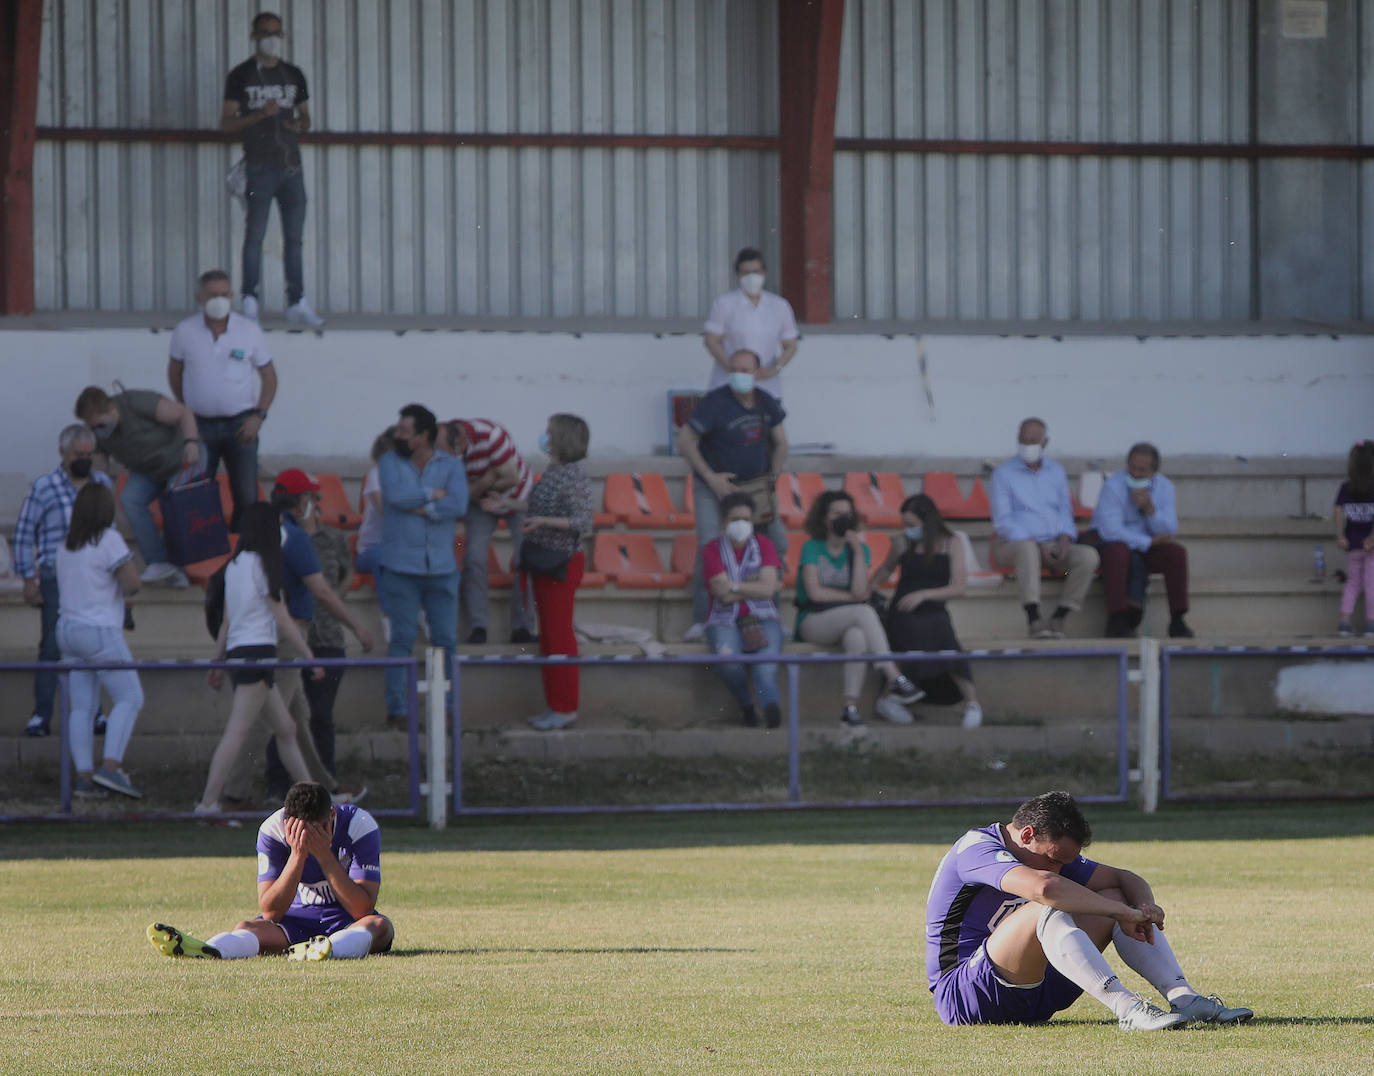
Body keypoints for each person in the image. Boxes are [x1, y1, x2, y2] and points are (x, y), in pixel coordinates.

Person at [925, 789, 1253, 1030]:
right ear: (1027, 834)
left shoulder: (1050, 855)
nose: (1057, 868)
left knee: (1114, 894)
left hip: (1038, 994)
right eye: (1052, 859)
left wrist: (1143, 906)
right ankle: (1128, 1008)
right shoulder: (976, 848)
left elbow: (1126, 878)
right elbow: (1044, 888)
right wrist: (1118, 913)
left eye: (1063, 862)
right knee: (1048, 905)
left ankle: (1184, 997)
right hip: (966, 995)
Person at [222, 468, 374, 807]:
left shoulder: (260, 532)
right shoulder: (295, 537)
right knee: (264, 721)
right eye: (312, 497)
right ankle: (232, 792)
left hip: (257, 633)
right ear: (302, 500)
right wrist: (357, 626)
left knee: (295, 721)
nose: (316, 503)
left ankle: (325, 787)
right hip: (286, 634)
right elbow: (321, 590)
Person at [148, 780, 393, 961]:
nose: (307, 837)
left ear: (332, 815)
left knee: (379, 926)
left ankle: (326, 950)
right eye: (299, 831)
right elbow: (271, 911)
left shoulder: (359, 826)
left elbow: (362, 908)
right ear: (288, 822)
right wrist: (297, 855)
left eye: (317, 830)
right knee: (247, 928)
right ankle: (208, 950)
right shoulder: (273, 830)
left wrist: (323, 855)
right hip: (295, 922)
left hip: (347, 923)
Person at [197, 503, 321, 814]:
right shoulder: (262, 565)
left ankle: (318, 804)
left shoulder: (236, 566)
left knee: (286, 730)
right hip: (257, 655)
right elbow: (282, 617)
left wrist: (218, 659)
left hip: (244, 655)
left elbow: (228, 620)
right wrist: (309, 657)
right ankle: (208, 804)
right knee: (238, 731)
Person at [677, 349, 790, 641]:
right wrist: (710, 477)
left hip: (756, 490)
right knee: (709, 544)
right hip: (716, 486)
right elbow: (685, 440)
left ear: (758, 372)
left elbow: (781, 443)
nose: (740, 374)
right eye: (735, 369)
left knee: (775, 543)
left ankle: (772, 614)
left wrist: (773, 477)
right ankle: (702, 620)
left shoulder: (766, 402)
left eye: (746, 369)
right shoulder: (714, 402)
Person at [221, 10, 323, 327]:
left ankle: (297, 301)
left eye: (276, 33)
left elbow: (307, 117)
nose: (272, 39)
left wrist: (299, 124)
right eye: (265, 33)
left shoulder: (294, 74)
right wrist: (260, 115)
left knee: (294, 238)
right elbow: (226, 123)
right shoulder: (240, 76)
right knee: (255, 235)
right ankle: (250, 299)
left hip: (292, 167)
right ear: (253, 37)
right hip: (259, 166)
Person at [12, 424, 113, 738]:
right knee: (52, 647)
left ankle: (95, 715)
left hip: (94, 580)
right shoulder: (45, 487)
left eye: (88, 454)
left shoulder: (102, 484)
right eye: (77, 455)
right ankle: (41, 716)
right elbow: (24, 534)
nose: (84, 460)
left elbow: (109, 534)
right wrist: (29, 578)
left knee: (92, 646)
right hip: (56, 577)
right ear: (62, 454)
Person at [793, 490, 924, 728]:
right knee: (863, 612)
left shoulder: (859, 550)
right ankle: (894, 676)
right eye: (836, 513)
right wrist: (850, 598)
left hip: (848, 619)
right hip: (813, 618)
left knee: (858, 637)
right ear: (824, 517)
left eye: (847, 514)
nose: (843, 518)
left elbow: (860, 591)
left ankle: (850, 709)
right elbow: (815, 593)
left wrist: (855, 551)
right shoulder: (812, 547)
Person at [378, 405, 469, 725]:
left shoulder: (452, 466)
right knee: (401, 639)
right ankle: (398, 710)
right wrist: (433, 495)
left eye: (405, 431)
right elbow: (396, 497)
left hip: (442, 568)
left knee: (445, 640)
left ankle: (447, 709)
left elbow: (458, 503)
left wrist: (425, 508)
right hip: (401, 568)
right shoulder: (389, 462)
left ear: (423, 436)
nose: (398, 435)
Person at [167, 268, 276, 530]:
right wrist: (186, 411)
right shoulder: (185, 331)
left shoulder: (249, 331)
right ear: (199, 298)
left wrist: (259, 416)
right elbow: (175, 373)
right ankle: (205, 559)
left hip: (241, 425)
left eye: (224, 294)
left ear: (232, 295)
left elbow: (269, 377)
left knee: (247, 497)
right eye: (213, 294)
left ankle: (242, 557)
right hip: (200, 427)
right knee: (197, 497)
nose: (220, 299)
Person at [55, 484, 144, 799]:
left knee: (81, 707)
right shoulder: (109, 540)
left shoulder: (65, 545)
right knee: (130, 697)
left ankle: (83, 778)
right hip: (99, 632)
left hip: (66, 630)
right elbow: (132, 583)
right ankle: (110, 767)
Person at [869, 495, 982, 729]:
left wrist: (925, 595)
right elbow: (885, 570)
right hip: (903, 609)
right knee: (908, 630)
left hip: (933, 607)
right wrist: (868, 589)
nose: (907, 530)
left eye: (912, 525)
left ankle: (972, 703)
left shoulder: (952, 543)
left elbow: (959, 587)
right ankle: (890, 697)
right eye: (905, 525)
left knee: (943, 633)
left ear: (927, 521)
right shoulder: (902, 542)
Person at [74, 384, 203, 587]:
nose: (97, 431)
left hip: (182, 460)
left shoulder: (136, 403)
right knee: (130, 499)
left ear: (109, 409)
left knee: (174, 497)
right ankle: (159, 562)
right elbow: (100, 469)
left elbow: (183, 413)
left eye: (99, 425)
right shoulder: (99, 435)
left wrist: (191, 442)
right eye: (92, 427)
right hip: (149, 471)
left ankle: (182, 564)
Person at [516, 414, 594, 731]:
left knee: (559, 635)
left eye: (550, 432)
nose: (544, 436)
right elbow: (543, 508)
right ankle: (555, 705)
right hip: (543, 562)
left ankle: (565, 707)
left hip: (560, 562)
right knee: (548, 636)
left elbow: (582, 522)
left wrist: (543, 523)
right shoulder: (555, 471)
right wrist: (507, 503)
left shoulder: (573, 475)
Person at [989, 418, 1100, 639]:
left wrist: (1065, 539)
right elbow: (1003, 521)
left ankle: (1061, 615)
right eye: (1023, 440)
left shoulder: (1056, 472)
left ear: (1045, 442)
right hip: (1011, 546)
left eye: (1032, 440)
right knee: (1027, 549)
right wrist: (1037, 545)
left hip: (1052, 544)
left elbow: (1064, 512)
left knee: (1088, 557)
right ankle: (1033, 617)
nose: (1027, 445)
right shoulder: (1003, 474)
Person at [439, 418, 536, 644]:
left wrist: (481, 486)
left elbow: (511, 477)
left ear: (463, 439)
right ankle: (478, 627)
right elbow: (457, 494)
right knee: (473, 558)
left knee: (527, 559)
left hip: (518, 495)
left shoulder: (492, 435)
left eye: (452, 452)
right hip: (478, 502)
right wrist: (488, 480)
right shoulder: (441, 445)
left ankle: (522, 628)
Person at [1090, 442, 1193, 639]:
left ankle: (1178, 619)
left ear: (1154, 471)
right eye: (1132, 467)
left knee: (1176, 554)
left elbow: (1170, 529)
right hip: (1117, 546)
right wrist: (1148, 542)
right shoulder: (1113, 486)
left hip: (1147, 545)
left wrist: (1150, 511)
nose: (1135, 474)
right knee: (1118, 552)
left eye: (1142, 470)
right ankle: (1117, 619)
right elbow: (1111, 532)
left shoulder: (1164, 487)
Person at [703, 492, 784, 729]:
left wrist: (735, 585)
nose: (742, 524)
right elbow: (722, 595)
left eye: (747, 519)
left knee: (765, 667)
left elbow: (768, 590)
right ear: (724, 523)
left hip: (764, 617)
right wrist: (755, 587)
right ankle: (747, 705)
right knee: (727, 662)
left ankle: (771, 710)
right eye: (736, 519)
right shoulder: (711, 550)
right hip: (723, 618)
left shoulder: (765, 545)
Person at [703, 246, 799, 399]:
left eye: (756, 272)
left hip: (768, 387)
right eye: (746, 273)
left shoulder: (780, 306)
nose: (751, 277)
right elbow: (711, 341)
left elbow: (791, 345)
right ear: (737, 276)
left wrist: (775, 369)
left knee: (769, 422)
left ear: (764, 273)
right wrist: (734, 368)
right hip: (728, 384)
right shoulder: (724, 303)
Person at [1336, 440, 1374, 637]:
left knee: (1352, 582)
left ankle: (1344, 622)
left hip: (1353, 545)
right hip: (1371, 546)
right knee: (1371, 584)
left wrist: (1341, 535)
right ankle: (1371, 625)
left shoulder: (1345, 488)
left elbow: (1338, 512)